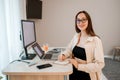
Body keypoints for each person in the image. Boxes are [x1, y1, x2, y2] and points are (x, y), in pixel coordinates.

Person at [58, 10, 105, 80]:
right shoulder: (76, 36)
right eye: (78, 20)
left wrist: (78, 65)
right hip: (72, 71)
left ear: (88, 21)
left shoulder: (96, 40)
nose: (81, 23)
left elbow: (100, 64)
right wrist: (64, 55)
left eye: (84, 20)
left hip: (86, 74)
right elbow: (69, 49)